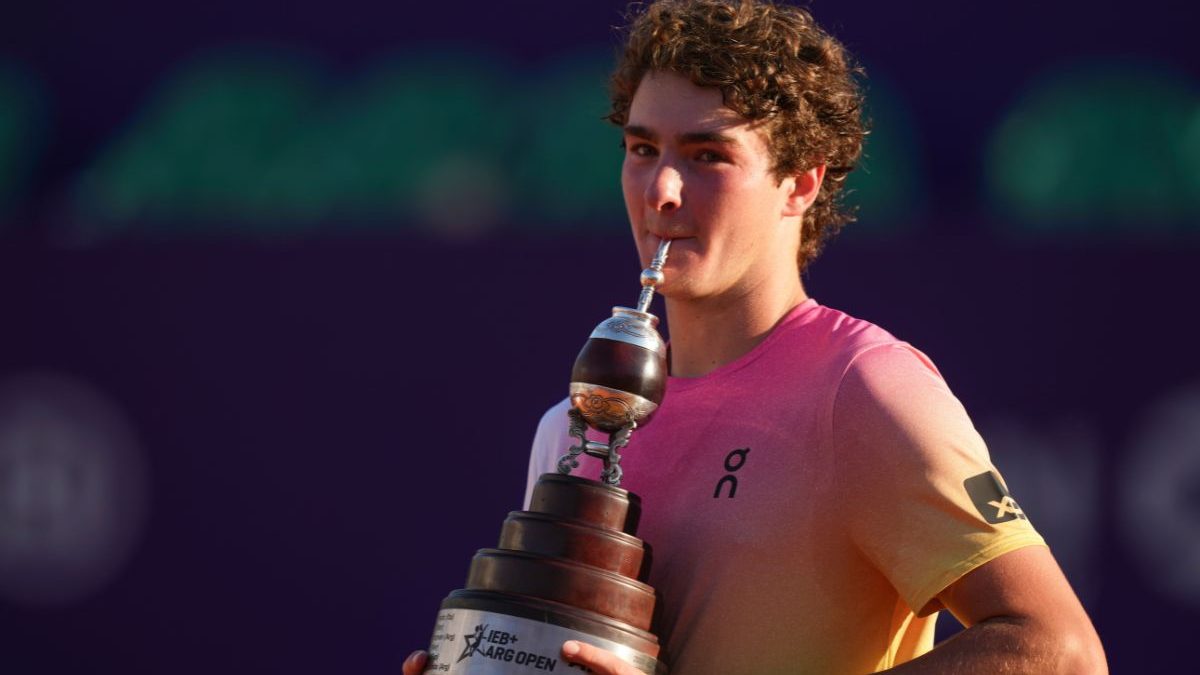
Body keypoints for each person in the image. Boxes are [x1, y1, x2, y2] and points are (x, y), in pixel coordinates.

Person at [407, 0, 1106, 672]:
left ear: (800, 183)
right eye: (642, 147)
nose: (662, 191)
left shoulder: (863, 388)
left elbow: (1060, 651)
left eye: (706, 155)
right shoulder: (565, 430)